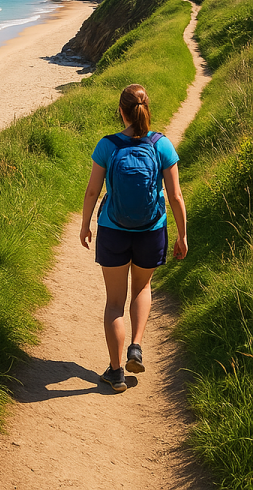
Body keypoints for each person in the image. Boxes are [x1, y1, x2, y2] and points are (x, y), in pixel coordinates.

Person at [80, 84, 187, 393]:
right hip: (151, 230)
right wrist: (182, 235)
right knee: (141, 287)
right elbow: (176, 196)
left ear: (121, 111)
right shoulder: (161, 145)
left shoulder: (107, 145)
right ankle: (136, 347)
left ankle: (115, 373)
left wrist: (86, 224)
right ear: (146, 110)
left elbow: (92, 191)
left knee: (114, 303)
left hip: (113, 229)